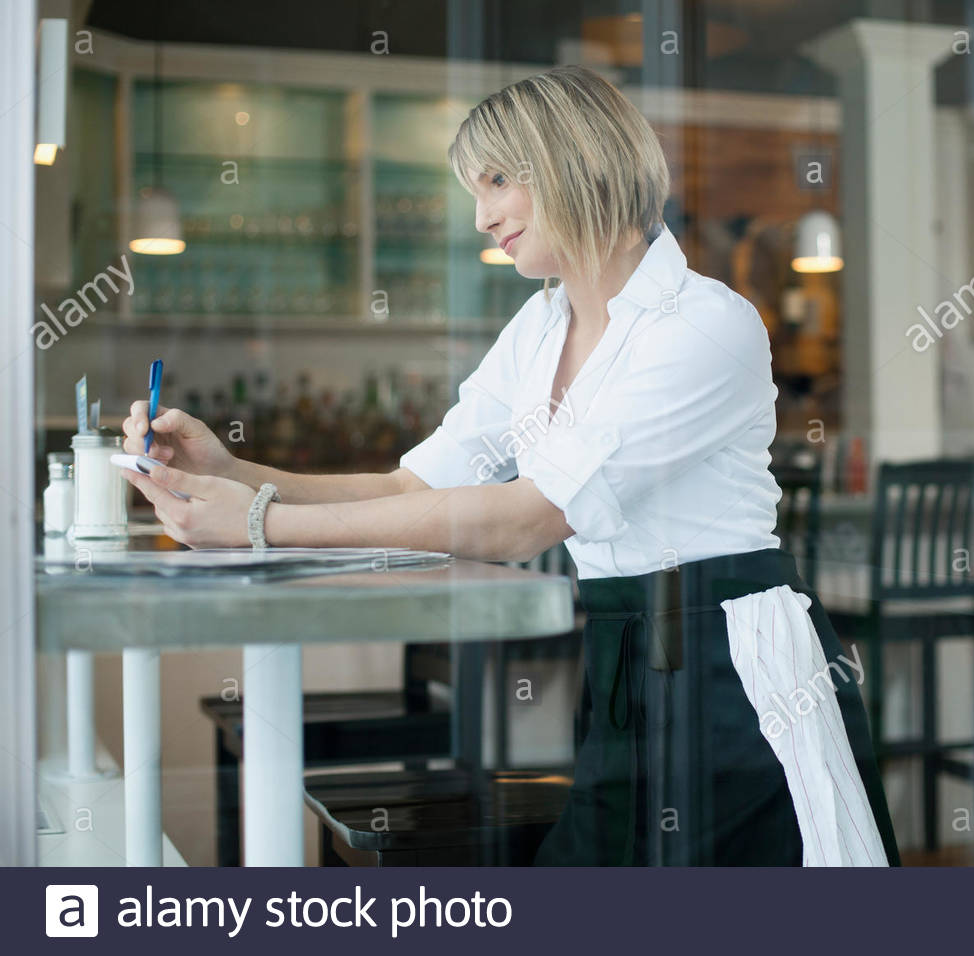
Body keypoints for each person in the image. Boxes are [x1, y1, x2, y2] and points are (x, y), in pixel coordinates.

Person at [121, 64, 899, 867]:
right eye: (475, 191)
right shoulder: (540, 327)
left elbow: (525, 519)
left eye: (497, 181)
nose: (482, 216)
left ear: (576, 161)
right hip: (622, 654)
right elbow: (412, 485)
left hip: (736, 671)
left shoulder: (704, 323)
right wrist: (237, 472)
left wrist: (259, 524)